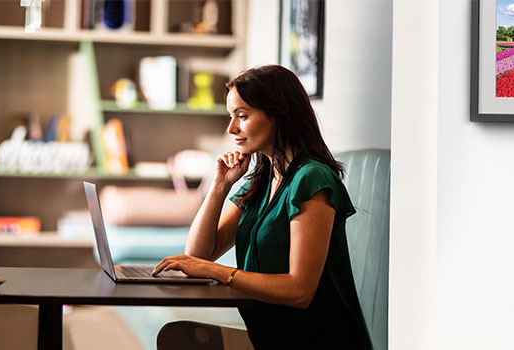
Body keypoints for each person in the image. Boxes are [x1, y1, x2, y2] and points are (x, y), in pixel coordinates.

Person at [152, 65, 373, 349]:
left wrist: (218, 272)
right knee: (178, 337)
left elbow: (299, 291)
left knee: (181, 340)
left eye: (242, 116)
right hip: (270, 339)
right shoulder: (259, 183)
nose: (231, 129)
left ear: (278, 116)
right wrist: (220, 186)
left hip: (317, 341)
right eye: (231, 117)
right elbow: (197, 255)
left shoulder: (312, 178)